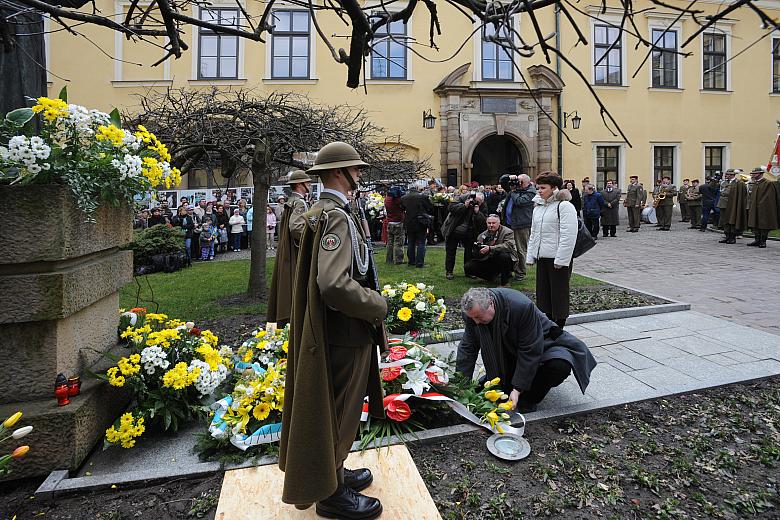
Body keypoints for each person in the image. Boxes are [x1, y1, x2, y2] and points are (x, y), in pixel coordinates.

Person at [279, 142, 386, 519]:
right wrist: (376, 305)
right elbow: (334, 284)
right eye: (355, 170)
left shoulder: (323, 210)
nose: (359, 175)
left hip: (333, 330)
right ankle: (331, 493)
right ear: (339, 173)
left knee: (336, 409)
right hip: (345, 331)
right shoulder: (336, 215)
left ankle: (334, 472)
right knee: (340, 412)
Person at [456, 287, 597, 413]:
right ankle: (508, 384)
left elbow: (530, 350)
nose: (476, 322)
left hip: (544, 342)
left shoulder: (521, 307)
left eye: (479, 317)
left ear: (491, 303)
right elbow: (468, 348)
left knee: (560, 366)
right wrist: (461, 385)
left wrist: (517, 389)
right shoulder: (472, 314)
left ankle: (528, 399)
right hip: (512, 348)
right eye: (473, 318)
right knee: (496, 386)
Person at [526, 172, 577, 328]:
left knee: (559, 295)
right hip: (543, 257)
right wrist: (531, 256)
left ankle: (559, 326)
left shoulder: (564, 206)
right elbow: (534, 233)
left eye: (543, 187)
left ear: (554, 188)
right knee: (544, 294)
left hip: (557, 258)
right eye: (537, 188)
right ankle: (548, 324)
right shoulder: (539, 207)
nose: (539, 191)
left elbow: (569, 235)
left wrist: (561, 260)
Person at [268, 170, 313, 325]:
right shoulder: (300, 202)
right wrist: (309, 240)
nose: (310, 185)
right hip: (295, 249)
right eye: (307, 182)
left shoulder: (292, 200)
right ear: (300, 184)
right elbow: (296, 227)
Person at [442, 191, 487, 280]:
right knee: (451, 251)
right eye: (476, 201)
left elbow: (484, 221)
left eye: (479, 202)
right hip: (454, 229)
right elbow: (451, 208)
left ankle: (469, 272)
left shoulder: (482, 205)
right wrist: (464, 206)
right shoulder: (461, 198)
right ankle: (449, 271)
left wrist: (478, 213)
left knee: (469, 253)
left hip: (470, 231)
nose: (476, 203)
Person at [464, 214, 517, 286]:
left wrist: (490, 248)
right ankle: (490, 277)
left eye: (493, 223)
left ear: (499, 223)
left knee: (503, 256)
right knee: (468, 266)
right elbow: (479, 255)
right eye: (489, 223)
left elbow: (508, 246)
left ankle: (505, 282)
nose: (491, 225)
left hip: (506, 259)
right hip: (490, 259)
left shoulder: (508, 232)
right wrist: (478, 250)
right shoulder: (482, 235)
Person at [502, 174, 536, 282]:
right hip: (509, 223)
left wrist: (513, 191)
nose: (517, 183)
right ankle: (510, 270)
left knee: (520, 249)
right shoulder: (516, 190)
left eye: (520, 181)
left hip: (521, 224)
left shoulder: (531, 192)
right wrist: (510, 179)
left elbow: (519, 202)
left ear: (526, 182)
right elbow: (502, 183)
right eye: (517, 181)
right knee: (509, 248)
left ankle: (520, 273)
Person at [400, 182, 434, 268]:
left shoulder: (404, 198)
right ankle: (419, 263)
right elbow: (430, 206)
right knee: (421, 243)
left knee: (410, 242)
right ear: (416, 188)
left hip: (409, 222)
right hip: (420, 221)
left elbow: (402, 208)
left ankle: (411, 262)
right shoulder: (422, 196)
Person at [746, 167, 780, 248]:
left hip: (764, 208)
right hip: (754, 207)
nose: (753, 175)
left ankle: (763, 241)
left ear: (761, 174)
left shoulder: (768, 183)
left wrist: (760, 204)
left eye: (755, 173)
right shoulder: (754, 183)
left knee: (764, 224)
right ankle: (757, 240)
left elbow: (769, 197)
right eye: (753, 173)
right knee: (755, 223)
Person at [720, 170, 749, 245]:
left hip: (733, 204)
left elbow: (741, 194)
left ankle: (732, 237)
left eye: (729, 174)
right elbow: (722, 191)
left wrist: (726, 192)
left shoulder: (738, 183)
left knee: (732, 220)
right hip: (724, 204)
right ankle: (727, 236)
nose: (727, 175)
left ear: (733, 175)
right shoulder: (724, 182)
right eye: (726, 174)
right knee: (725, 221)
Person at [384, 185, 406, 264]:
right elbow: (403, 207)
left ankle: (389, 259)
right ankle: (399, 260)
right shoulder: (398, 201)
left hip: (390, 222)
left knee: (390, 243)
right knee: (399, 243)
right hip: (398, 222)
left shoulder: (387, 200)